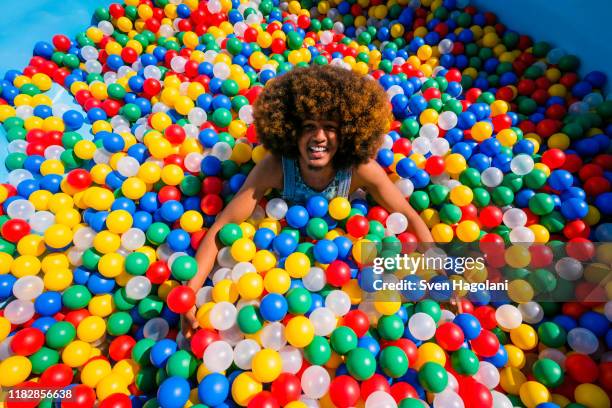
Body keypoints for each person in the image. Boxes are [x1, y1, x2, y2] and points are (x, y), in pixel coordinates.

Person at [182, 64, 433, 338]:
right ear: (291, 130)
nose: (319, 137)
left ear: (349, 131)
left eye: (330, 127)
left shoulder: (360, 169)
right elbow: (224, 225)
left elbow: (407, 216)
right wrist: (189, 292)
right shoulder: (275, 167)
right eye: (309, 127)